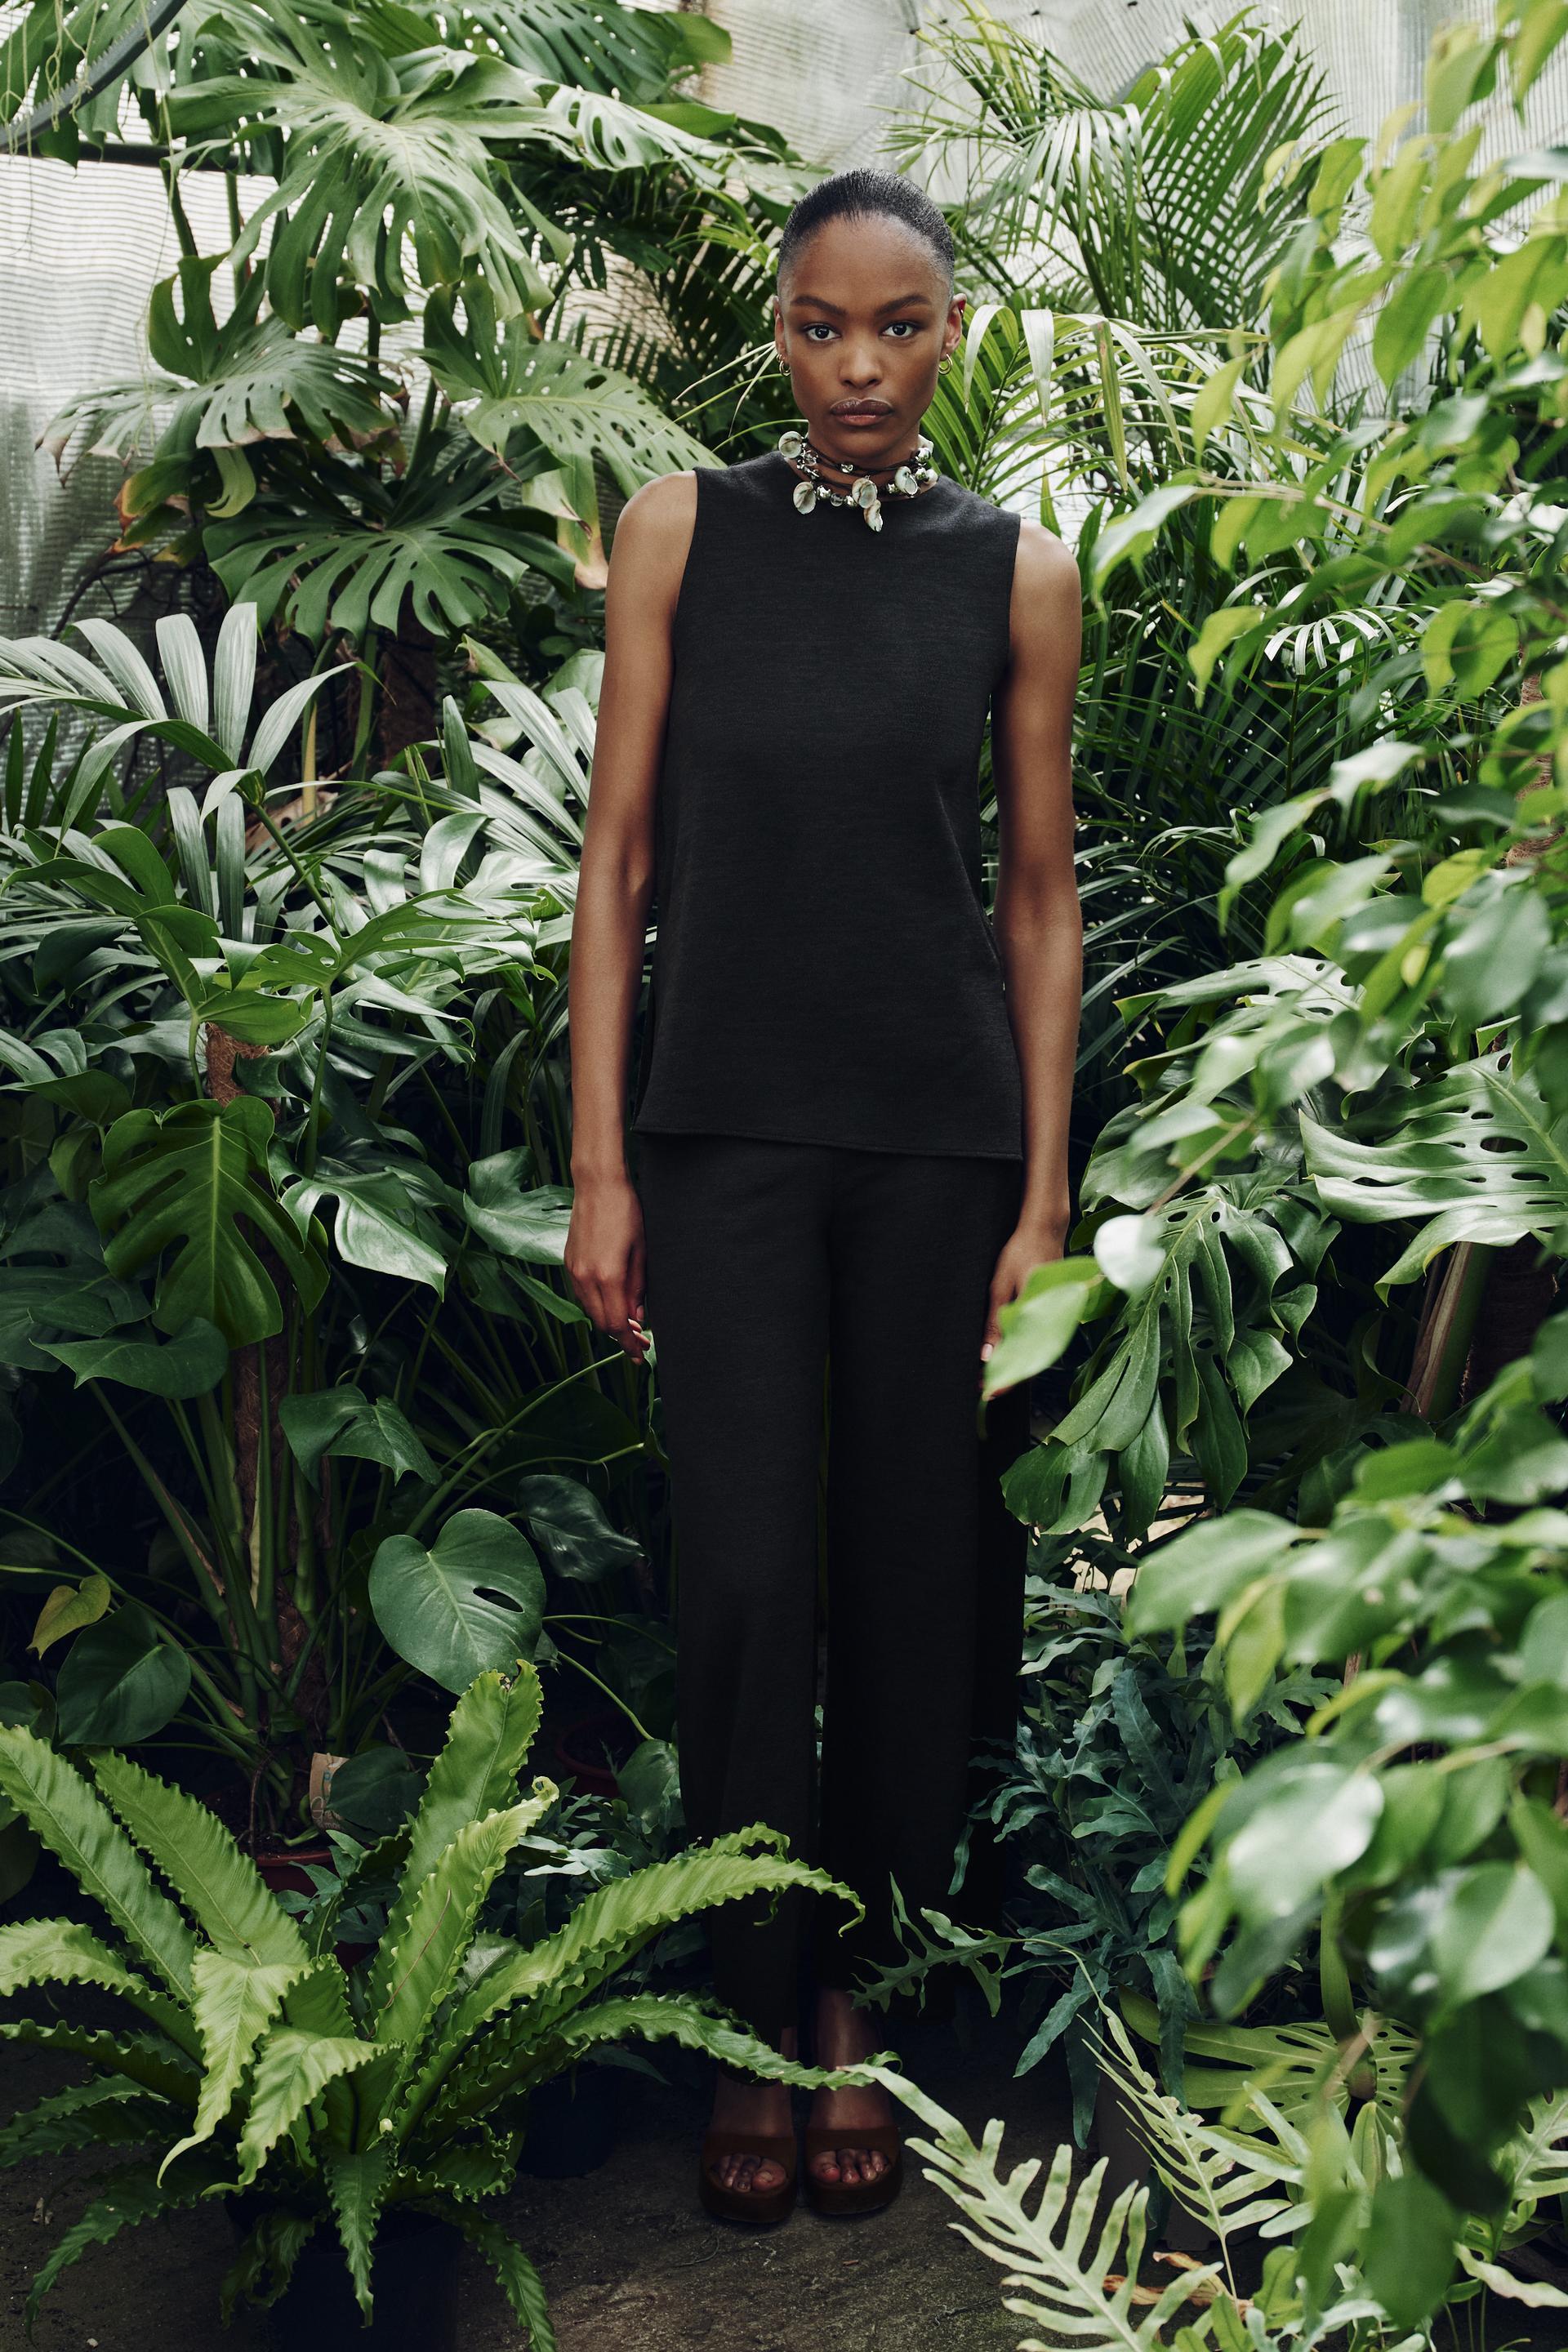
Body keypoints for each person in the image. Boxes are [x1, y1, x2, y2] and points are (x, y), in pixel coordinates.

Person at [564, 167, 1082, 2225]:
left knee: (912, 1579)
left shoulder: (1018, 572)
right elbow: (616, 864)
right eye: (818, 326)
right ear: (774, 333)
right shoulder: (678, 531)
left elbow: (1037, 900)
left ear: (954, 335)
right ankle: (748, 2005)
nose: (859, 367)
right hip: (723, 1144)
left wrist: (1042, 1199)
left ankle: (852, 1998)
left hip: (943, 1153)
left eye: (900, 326)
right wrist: (603, 1162)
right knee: (744, 1583)